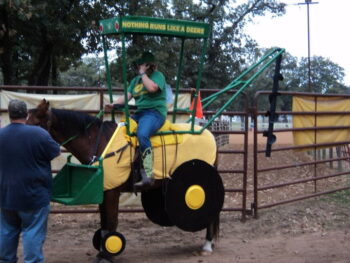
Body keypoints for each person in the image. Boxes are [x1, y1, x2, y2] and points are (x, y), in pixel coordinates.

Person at [0, 99, 60, 263]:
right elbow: (55, 152)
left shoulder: (1, 134)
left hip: (6, 195)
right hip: (34, 195)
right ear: (27, 115)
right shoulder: (39, 134)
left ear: (9, 114)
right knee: (32, 231)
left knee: (6, 231)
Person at [105, 51, 167, 188]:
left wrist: (143, 74)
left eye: (142, 65)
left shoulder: (158, 76)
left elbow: (152, 88)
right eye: (139, 65)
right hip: (139, 113)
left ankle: (149, 174)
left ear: (149, 66)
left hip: (154, 113)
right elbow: (126, 97)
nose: (139, 67)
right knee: (120, 130)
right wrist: (114, 104)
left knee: (142, 134)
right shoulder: (135, 81)